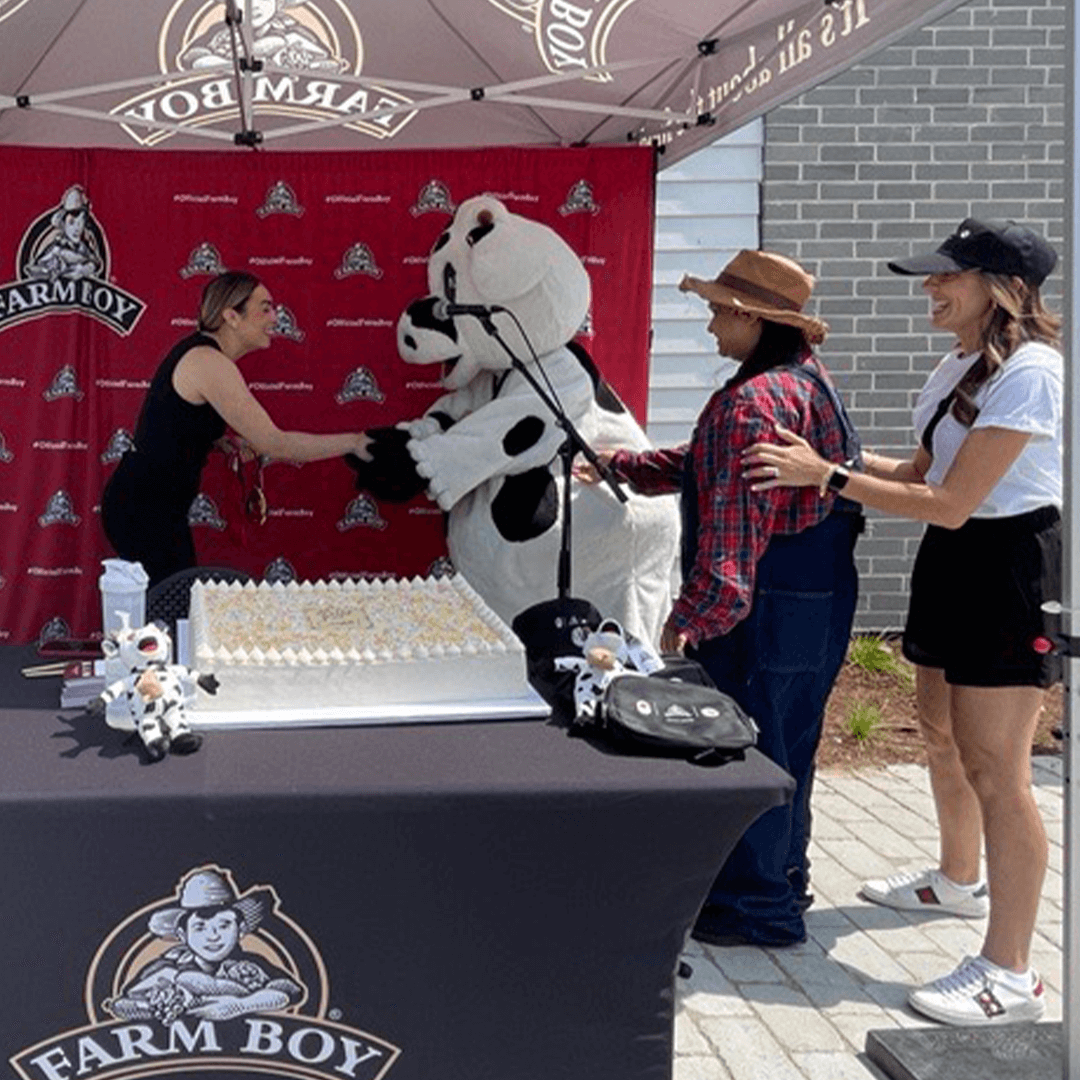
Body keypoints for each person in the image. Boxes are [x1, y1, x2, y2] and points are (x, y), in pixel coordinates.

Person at [742, 218, 1061, 1025]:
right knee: (940, 730)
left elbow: (951, 502)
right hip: (954, 558)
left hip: (1006, 565)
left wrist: (828, 477)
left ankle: (1011, 974)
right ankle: (957, 879)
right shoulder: (961, 364)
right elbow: (921, 471)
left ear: (1003, 289)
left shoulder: (1033, 373)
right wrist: (824, 457)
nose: (930, 287)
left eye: (948, 275)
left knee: (999, 771)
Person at [578, 250, 863, 947]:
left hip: (767, 603)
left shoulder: (751, 402)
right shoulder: (805, 381)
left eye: (716, 312)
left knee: (750, 747)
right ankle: (784, 881)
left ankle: (753, 909)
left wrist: (691, 619)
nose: (709, 325)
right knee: (792, 744)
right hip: (820, 596)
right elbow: (710, 463)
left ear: (750, 317)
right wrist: (622, 466)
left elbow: (733, 537)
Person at [101, 271, 371, 587]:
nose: (275, 317)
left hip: (154, 506)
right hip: (144, 509)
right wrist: (354, 442)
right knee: (172, 608)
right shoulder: (208, 362)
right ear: (231, 316)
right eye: (265, 308)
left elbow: (175, 423)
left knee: (173, 604)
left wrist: (220, 443)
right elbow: (276, 443)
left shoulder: (205, 355)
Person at [105, 867, 304, 1023]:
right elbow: (125, 1001)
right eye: (200, 927)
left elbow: (291, 990)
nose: (213, 936)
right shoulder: (166, 967)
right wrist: (177, 991)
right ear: (183, 935)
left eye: (224, 925)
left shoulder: (251, 967)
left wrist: (239, 1005)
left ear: (241, 929)